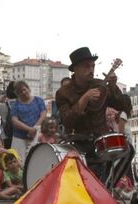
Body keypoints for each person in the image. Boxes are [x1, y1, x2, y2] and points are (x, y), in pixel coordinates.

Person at [55, 47, 133, 181]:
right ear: (75, 69)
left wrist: (114, 87)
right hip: (77, 142)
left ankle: (107, 186)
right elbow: (67, 120)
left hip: (100, 139)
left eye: (93, 66)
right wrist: (84, 99)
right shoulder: (63, 92)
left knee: (128, 150)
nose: (91, 70)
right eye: (86, 66)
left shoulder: (100, 85)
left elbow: (124, 107)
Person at [10, 81, 46, 162]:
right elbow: (14, 121)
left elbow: (43, 114)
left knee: (36, 160)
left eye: (24, 89)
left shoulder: (38, 100)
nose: (23, 92)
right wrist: (29, 129)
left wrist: (35, 128)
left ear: (28, 89)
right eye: (20, 92)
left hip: (37, 135)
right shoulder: (15, 105)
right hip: (19, 138)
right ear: (17, 94)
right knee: (19, 161)